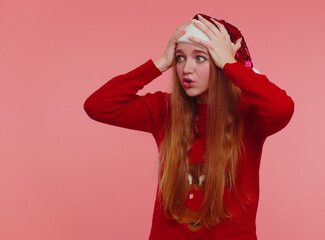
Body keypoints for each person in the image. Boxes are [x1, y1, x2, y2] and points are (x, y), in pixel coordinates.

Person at [84, 13, 295, 240]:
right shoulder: (164, 109)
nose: (186, 69)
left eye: (200, 58)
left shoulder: (249, 114)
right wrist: (161, 62)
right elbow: (97, 105)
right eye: (180, 57)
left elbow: (281, 108)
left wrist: (231, 65)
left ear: (221, 62)